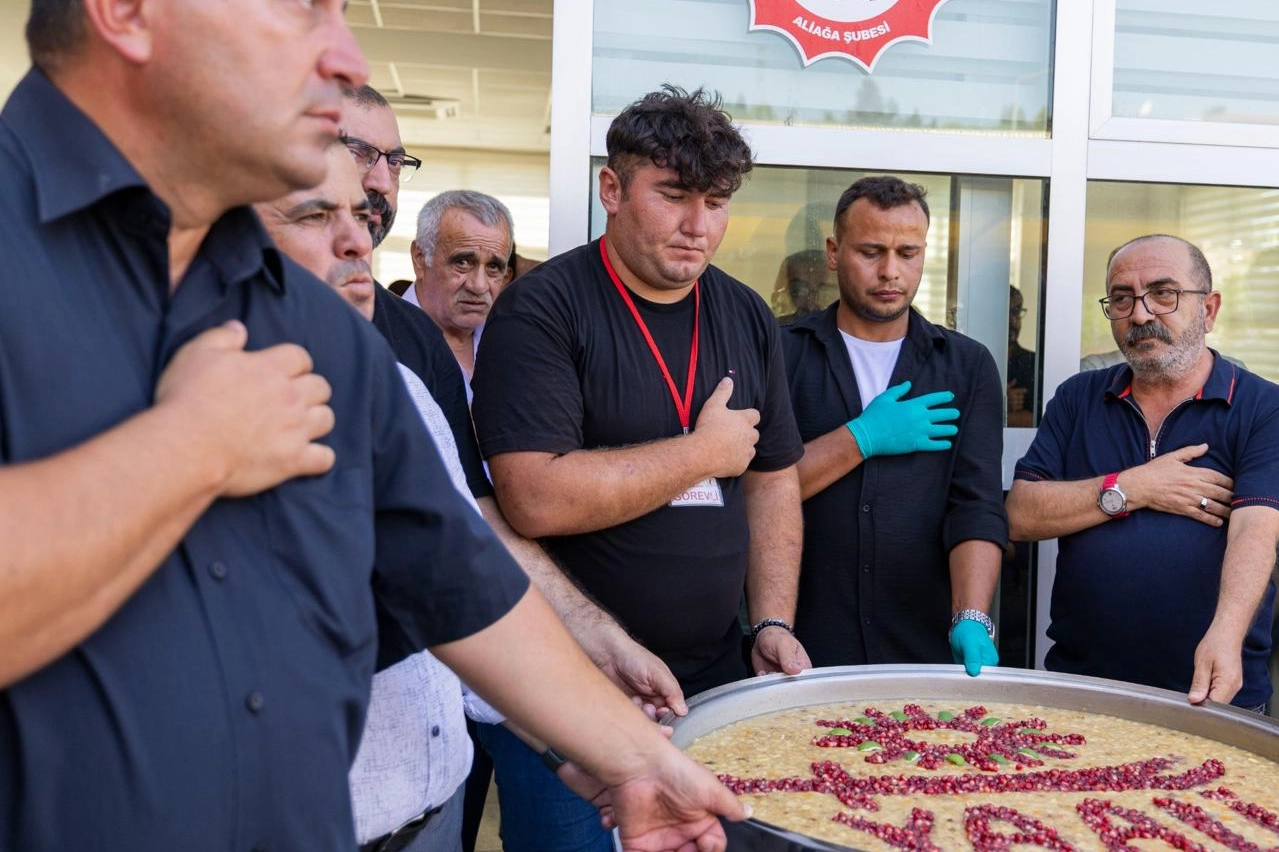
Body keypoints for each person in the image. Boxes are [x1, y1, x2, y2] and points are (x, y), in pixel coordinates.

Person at [0, 4, 747, 851]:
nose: (346, 55)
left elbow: (457, 575)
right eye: (301, 11)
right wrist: (192, 446)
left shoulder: (306, 314)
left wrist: (636, 760)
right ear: (127, 14)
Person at [470, 85, 809, 852]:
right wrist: (701, 452)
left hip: (716, 675)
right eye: (675, 196)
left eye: (717, 202)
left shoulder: (745, 311)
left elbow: (771, 476)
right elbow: (534, 499)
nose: (699, 227)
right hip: (567, 692)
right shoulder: (542, 310)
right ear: (612, 190)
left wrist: (772, 618)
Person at [1007, 234, 1279, 713]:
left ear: (1208, 309)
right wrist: (1133, 487)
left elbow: (1257, 528)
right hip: (1083, 688)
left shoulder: (1261, 406)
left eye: (1163, 293)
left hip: (1210, 689)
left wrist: (1227, 633)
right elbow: (1021, 514)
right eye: (1121, 298)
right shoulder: (1078, 398)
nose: (1140, 314)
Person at [781, 175, 1007, 676]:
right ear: (835, 252)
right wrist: (861, 438)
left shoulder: (966, 366)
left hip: (922, 643)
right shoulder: (780, 354)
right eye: (871, 251)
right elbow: (754, 492)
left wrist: (971, 615)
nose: (890, 272)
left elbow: (976, 505)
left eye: (908, 253)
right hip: (800, 643)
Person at [404, 190, 513, 387]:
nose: (479, 286)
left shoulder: (512, 344)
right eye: (462, 262)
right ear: (420, 258)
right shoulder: (377, 340)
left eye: (493, 267)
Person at [772, 248, 839, 324]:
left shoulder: (848, 331)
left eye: (825, 293)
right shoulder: (775, 331)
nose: (810, 306)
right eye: (800, 291)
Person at [1007, 285, 1037, 427]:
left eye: (1016, 311)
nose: (1013, 321)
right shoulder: (972, 361)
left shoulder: (1034, 363)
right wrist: (1000, 403)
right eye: (1005, 312)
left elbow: (1035, 420)